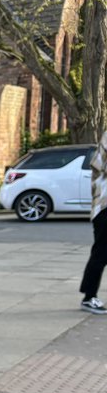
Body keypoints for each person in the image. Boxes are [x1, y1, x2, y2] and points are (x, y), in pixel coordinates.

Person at [79, 128, 107, 314]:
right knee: (101, 252)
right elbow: (99, 165)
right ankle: (89, 297)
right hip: (105, 206)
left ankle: (89, 296)